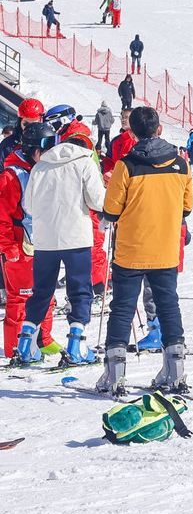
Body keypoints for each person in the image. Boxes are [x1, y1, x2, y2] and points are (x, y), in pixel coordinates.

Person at [96, 105, 193, 397]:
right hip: (165, 247)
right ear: (159, 128)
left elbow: (111, 209)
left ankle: (115, 373)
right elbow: (187, 207)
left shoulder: (127, 164)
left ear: (133, 132)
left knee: (123, 307)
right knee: (168, 305)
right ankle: (175, 369)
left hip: (131, 249)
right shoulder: (180, 164)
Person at [19, 119, 105, 368]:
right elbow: (98, 201)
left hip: (46, 239)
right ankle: (76, 345)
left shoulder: (40, 167)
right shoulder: (85, 161)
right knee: (79, 290)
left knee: (42, 291)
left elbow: (29, 207)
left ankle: (26, 344)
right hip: (76, 236)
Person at [1, 109, 56, 361]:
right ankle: (16, 348)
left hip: (45, 243)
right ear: (32, 148)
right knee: (21, 299)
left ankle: (43, 340)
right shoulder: (12, 176)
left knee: (46, 295)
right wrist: (8, 248)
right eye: (44, 149)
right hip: (20, 245)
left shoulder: (44, 169)